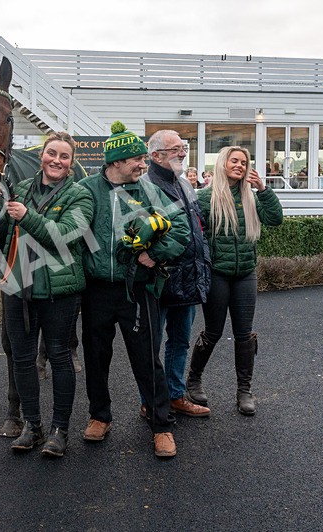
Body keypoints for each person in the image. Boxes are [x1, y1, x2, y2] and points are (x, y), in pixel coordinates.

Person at [79, 122, 190, 458]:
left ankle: (161, 426)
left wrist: (153, 254)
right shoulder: (86, 188)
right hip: (96, 290)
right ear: (115, 163)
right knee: (96, 357)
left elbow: (181, 230)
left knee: (146, 359)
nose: (144, 165)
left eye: (144, 158)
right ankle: (100, 416)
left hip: (138, 290)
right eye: (137, 159)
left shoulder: (150, 189)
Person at [0, 131, 92, 458]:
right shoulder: (19, 189)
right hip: (18, 287)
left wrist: (27, 216)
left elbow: (65, 236)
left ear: (71, 162)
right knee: (22, 359)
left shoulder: (81, 195)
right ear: (42, 156)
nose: (57, 160)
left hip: (59, 291)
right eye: (52, 153)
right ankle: (32, 426)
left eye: (64, 156)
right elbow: (1, 235)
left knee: (59, 357)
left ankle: (59, 430)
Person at [189, 146, 283, 415]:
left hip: (245, 274)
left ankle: (244, 391)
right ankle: (193, 380)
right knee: (213, 331)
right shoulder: (205, 197)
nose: (240, 165)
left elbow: (276, 219)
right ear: (223, 163)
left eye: (244, 162)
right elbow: (194, 236)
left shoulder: (251, 198)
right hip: (217, 274)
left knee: (244, 334)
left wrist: (264, 190)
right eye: (235, 161)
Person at [141, 130, 211, 417]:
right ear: (156, 155)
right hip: (159, 280)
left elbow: (198, 228)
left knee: (180, 342)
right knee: (151, 346)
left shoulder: (185, 184)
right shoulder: (143, 186)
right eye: (175, 149)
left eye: (183, 147)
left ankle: (174, 396)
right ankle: (151, 401)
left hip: (188, 279)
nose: (183, 152)